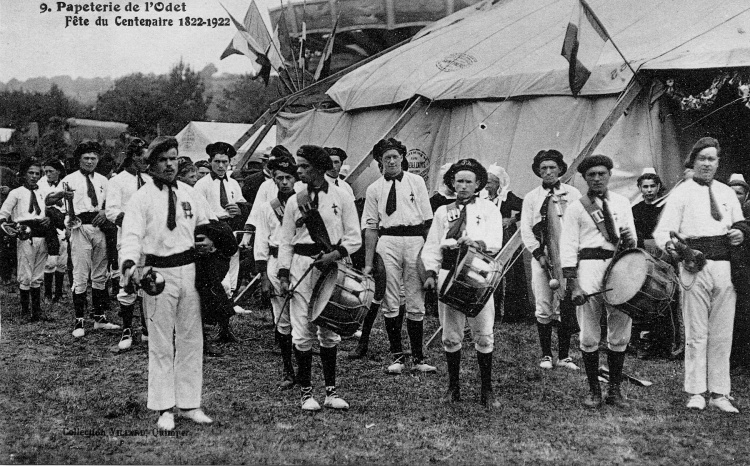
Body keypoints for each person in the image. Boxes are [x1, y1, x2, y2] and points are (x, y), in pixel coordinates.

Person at [120, 136, 216, 431]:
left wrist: (211, 239)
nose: (170, 165)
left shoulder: (189, 193)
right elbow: (131, 236)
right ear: (151, 164)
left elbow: (207, 223)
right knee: (161, 341)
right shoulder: (141, 198)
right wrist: (129, 264)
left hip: (190, 271)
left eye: (173, 158)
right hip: (157, 273)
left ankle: (189, 404)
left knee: (191, 338)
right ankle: (164, 407)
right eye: (163, 160)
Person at [654, 137, 744, 413]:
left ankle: (720, 393)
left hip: (724, 266)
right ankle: (696, 392)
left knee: (722, 332)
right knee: (696, 332)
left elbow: (741, 224)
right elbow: (662, 232)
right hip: (694, 264)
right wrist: (674, 249)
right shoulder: (681, 193)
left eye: (711, 159)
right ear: (692, 161)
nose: (707, 164)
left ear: (718, 163)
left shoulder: (727, 193)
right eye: (702, 158)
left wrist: (740, 233)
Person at [277, 145, 361, 411]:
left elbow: (354, 237)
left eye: (304, 166)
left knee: (329, 328)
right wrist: (283, 274)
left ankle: (331, 392)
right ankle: (306, 393)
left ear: (319, 168)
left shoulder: (341, 196)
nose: (299, 170)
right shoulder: (295, 200)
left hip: (331, 266)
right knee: (302, 328)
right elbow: (285, 241)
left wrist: (335, 254)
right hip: (302, 267)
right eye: (298, 165)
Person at [421, 158, 504, 408]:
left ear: (478, 184)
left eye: (469, 181)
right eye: (459, 181)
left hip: (477, 272)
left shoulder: (489, 209)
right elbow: (432, 246)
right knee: (450, 333)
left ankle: (486, 389)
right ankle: (453, 387)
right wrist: (430, 273)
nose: (464, 186)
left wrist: (475, 244)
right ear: (452, 183)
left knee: (483, 332)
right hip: (448, 272)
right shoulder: (443, 211)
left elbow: (495, 241)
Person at [560, 154, 637, 409]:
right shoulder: (576, 208)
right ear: (584, 178)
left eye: (601, 174)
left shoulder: (623, 203)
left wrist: (629, 240)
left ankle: (614, 390)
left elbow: (632, 240)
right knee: (589, 332)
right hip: (588, 269)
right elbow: (568, 246)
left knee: (620, 328)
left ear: (609, 175)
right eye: (591, 175)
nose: (597, 178)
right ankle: (594, 390)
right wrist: (573, 284)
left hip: (618, 267)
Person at [359, 138, 435, 373]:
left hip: (414, 240)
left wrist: (430, 255)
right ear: (380, 161)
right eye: (386, 158)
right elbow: (371, 227)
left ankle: (419, 358)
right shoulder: (374, 189)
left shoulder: (416, 182)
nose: (391, 161)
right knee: (390, 299)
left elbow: (428, 221)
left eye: (395, 156)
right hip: (388, 242)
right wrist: (368, 263)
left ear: (402, 157)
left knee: (415, 298)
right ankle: (397, 358)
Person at [47, 141, 121, 338]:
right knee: (80, 273)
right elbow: (49, 200)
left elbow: (111, 203)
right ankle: (79, 320)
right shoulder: (69, 179)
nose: (90, 161)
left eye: (93, 158)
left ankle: (99, 318)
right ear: (79, 159)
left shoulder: (104, 180)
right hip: (80, 228)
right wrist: (62, 194)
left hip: (100, 228)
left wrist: (104, 212)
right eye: (86, 158)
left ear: (98, 160)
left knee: (100, 273)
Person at [520, 150, 582, 370]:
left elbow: (580, 223)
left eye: (552, 167)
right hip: (543, 257)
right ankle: (546, 354)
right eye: (543, 168)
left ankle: (564, 356)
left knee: (566, 304)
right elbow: (526, 229)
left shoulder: (573, 194)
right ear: (538, 171)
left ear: (560, 169)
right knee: (544, 304)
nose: (548, 172)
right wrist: (539, 254)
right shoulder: (531, 197)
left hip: (568, 257)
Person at [254, 154, 298, 388]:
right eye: (280, 178)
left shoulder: (304, 203)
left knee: (301, 316)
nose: (284, 182)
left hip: (298, 261)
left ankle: (304, 367)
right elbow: (261, 240)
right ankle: (288, 370)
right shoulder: (267, 208)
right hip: (274, 261)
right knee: (282, 317)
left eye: (288, 177)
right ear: (273, 178)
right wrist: (263, 276)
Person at [105, 138, 152, 351]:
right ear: (133, 156)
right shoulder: (118, 181)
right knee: (128, 281)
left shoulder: (150, 180)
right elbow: (111, 211)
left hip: (148, 239)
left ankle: (146, 328)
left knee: (147, 280)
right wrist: (132, 219)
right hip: (128, 238)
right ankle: (126, 329)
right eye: (143, 156)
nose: (147, 161)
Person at [193, 142, 250, 314]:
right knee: (216, 266)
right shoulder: (202, 184)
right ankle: (215, 303)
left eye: (225, 162)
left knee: (234, 262)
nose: (221, 166)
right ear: (210, 161)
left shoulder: (233, 183)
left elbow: (241, 203)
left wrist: (239, 209)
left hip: (231, 227)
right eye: (217, 161)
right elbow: (199, 210)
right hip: (212, 229)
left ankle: (231, 299)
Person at [0, 158, 51, 321]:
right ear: (23, 174)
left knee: (38, 273)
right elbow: (3, 214)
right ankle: (24, 310)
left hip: (42, 235)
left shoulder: (43, 192)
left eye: (37, 173)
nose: (34, 176)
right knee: (25, 273)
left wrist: (48, 218)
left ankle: (36, 311)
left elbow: (48, 211)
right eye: (31, 173)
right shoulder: (16, 193)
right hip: (25, 235)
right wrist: (8, 227)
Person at [484, 163, 530, 322]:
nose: (487, 185)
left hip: (505, 237)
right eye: (485, 182)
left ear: (499, 183)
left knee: (509, 273)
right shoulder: (482, 197)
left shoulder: (507, 197)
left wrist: (512, 219)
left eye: (490, 182)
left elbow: (528, 207)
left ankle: (511, 313)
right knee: (488, 271)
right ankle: (491, 311)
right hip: (487, 237)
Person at [39, 158, 68, 303]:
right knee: (50, 260)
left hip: (64, 223)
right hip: (49, 225)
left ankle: (59, 293)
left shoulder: (66, 183)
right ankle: (47, 294)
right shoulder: (41, 184)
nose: (48, 174)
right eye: (46, 171)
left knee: (62, 260)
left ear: (59, 171)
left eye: (51, 171)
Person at [632, 168, 664, 249]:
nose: (649, 190)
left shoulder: (666, 207)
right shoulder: (635, 210)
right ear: (640, 188)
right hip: (643, 250)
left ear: (658, 186)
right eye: (645, 187)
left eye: (652, 186)